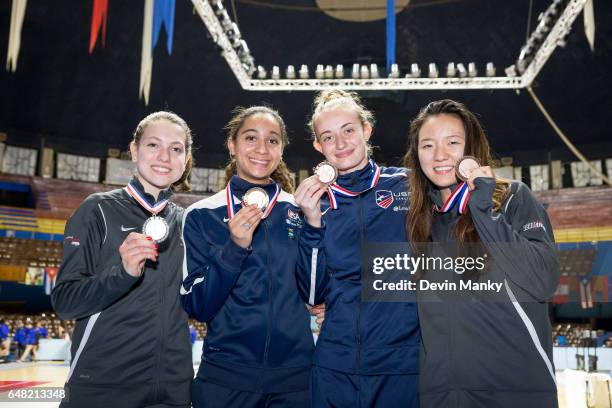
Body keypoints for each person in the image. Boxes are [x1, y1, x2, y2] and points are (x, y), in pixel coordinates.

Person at [404, 99, 559, 407]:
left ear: (471, 148)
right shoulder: (419, 221)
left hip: (514, 394)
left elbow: (543, 281)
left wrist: (484, 211)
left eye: (452, 142)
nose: (439, 155)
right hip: (442, 397)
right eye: (427, 145)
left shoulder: (512, 199)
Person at [51, 111, 194, 408]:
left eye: (176, 149)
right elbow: (65, 302)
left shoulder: (188, 223)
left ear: (186, 158)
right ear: (133, 150)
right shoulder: (98, 210)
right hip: (104, 387)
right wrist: (123, 273)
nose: (165, 157)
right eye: (153, 145)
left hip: (172, 389)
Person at [181, 106, 314, 408]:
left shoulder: (301, 211)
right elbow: (198, 306)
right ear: (232, 144)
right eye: (251, 138)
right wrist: (234, 249)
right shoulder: (201, 215)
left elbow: (317, 287)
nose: (261, 149)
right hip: (225, 381)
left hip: (294, 382)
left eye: (272, 141)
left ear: (282, 149)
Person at [294, 90, 420, 407]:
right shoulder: (313, 203)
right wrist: (312, 223)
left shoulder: (409, 185)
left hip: (403, 365)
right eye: (328, 137)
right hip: (337, 364)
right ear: (318, 147)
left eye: (348, 130)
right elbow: (312, 294)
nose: (340, 144)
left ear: (366, 130)